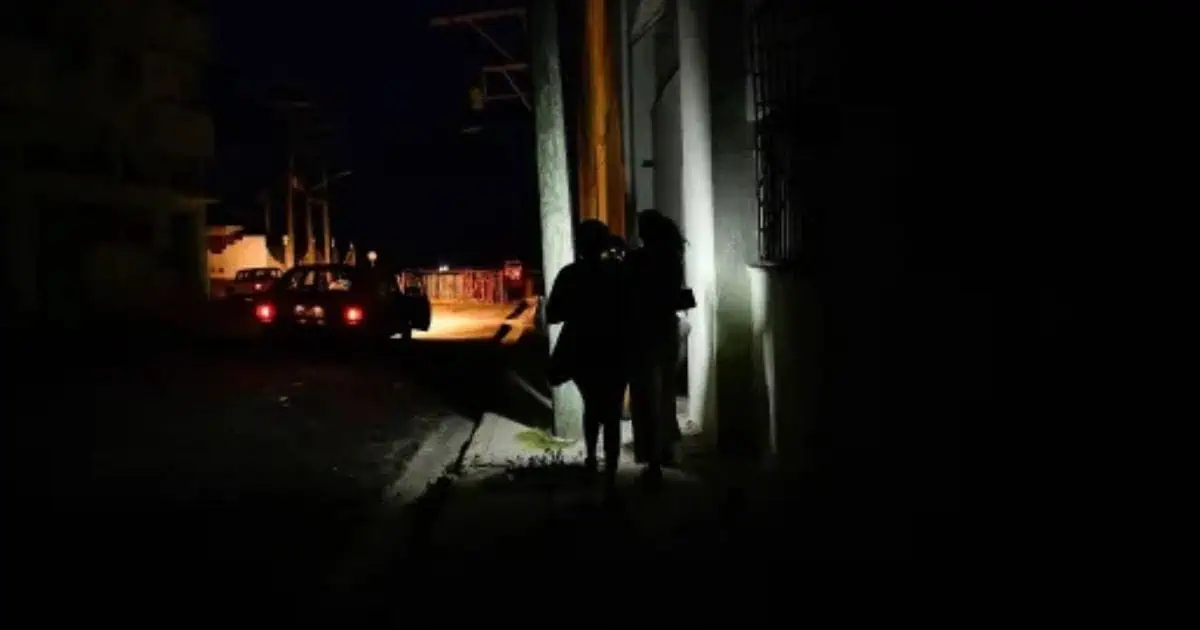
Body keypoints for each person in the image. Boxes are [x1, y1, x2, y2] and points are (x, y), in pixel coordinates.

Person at [545, 220, 627, 490]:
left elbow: (553, 314)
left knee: (592, 405)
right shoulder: (617, 273)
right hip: (615, 346)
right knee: (612, 410)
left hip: (582, 348)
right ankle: (611, 473)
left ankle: (592, 458)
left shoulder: (570, 274)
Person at [624, 210, 687, 487]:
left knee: (645, 396)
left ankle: (652, 461)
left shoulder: (637, 259)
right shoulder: (672, 258)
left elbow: (627, 292)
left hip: (642, 331)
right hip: (667, 329)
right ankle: (667, 449)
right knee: (665, 393)